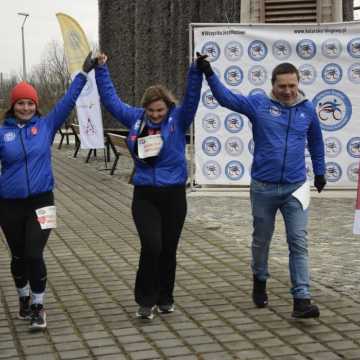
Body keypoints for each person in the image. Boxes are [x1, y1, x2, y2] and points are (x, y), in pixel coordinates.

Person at [196, 54, 326, 319]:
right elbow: (227, 98)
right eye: (282, 86)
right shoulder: (258, 104)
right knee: (261, 240)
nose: (288, 91)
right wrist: (208, 72)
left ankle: (301, 299)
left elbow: (316, 142)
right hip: (263, 187)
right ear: (273, 85)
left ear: (298, 84)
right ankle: (259, 279)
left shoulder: (308, 109)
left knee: (298, 241)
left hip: (296, 187)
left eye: (292, 85)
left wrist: (321, 172)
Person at [94, 53, 202, 320]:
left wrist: (196, 70)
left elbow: (192, 97)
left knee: (168, 249)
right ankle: (145, 300)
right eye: (151, 110)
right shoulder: (135, 118)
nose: (155, 115)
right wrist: (101, 69)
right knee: (152, 246)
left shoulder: (179, 119)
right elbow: (110, 100)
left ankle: (166, 297)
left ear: (168, 108)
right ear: (145, 109)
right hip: (145, 195)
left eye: (160, 110)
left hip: (174, 195)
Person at [0, 53, 94, 331]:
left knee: (34, 253)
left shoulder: (46, 125)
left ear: (36, 105)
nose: (26, 107)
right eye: (21, 103)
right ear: (13, 105)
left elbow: (68, 100)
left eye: (30, 103)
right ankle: (23, 297)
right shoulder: (2, 133)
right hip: (9, 205)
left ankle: (39, 306)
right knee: (18, 256)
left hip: (43, 201)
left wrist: (84, 72)